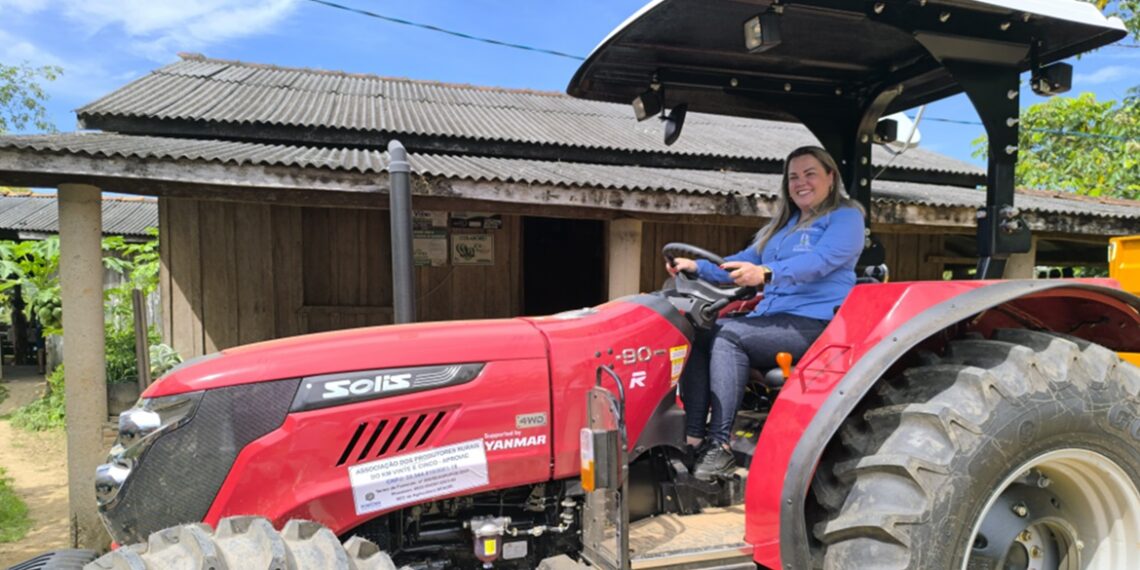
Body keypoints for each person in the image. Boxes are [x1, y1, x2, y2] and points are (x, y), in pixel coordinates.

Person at [667, 145, 866, 480]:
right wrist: (696, 266)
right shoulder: (780, 228)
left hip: (816, 324)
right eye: (793, 177)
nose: (801, 182)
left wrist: (768, 273)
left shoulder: (846, 218)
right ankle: (693, 436)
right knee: (697, 330)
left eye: (810, 173)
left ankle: (721, 446)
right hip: (771, 319)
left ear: (831, 177)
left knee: (729, 336)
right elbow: (741, 262)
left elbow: (820, 262)